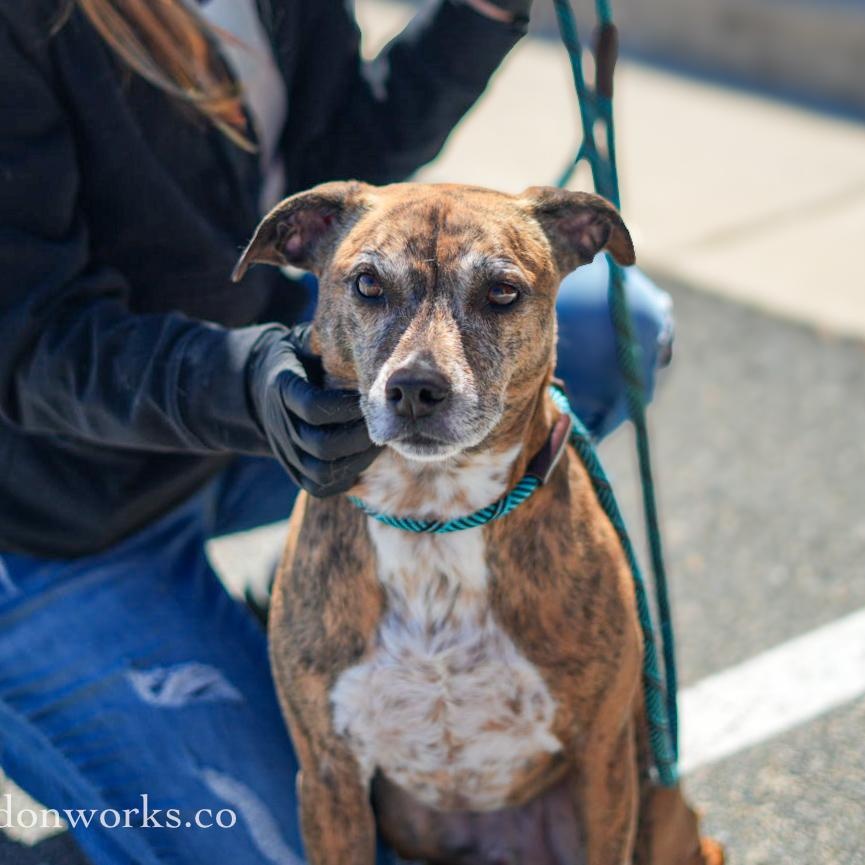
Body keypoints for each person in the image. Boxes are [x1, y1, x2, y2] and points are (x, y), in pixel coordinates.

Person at [0, 0, 673, 862]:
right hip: (48, 516)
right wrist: (248, 385)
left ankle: (283, 618)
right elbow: (23, 336)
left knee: (605, 323)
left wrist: (477, 13)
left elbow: (343, 162)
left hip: (220, 427)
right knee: (260, 845)